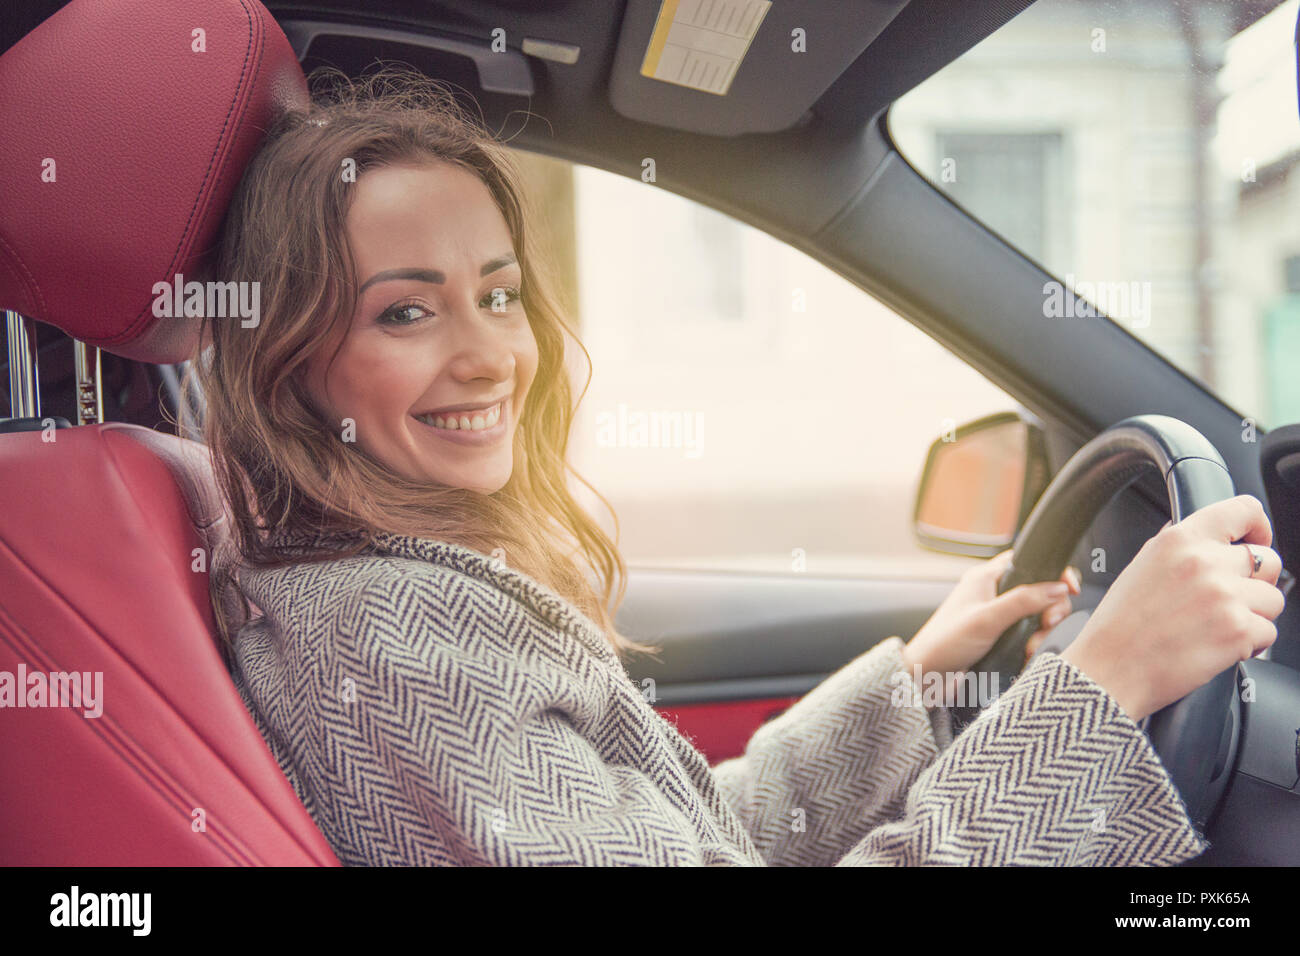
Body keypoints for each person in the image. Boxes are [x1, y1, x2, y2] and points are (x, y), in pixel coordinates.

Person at [193, 67, 1285, 866]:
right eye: (405, 309)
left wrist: (914, 678)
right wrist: (1101, 690)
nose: (489, 353)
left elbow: (688, 834)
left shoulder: (375, 584)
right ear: (295, 365)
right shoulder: (404, 641)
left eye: (498, 291)